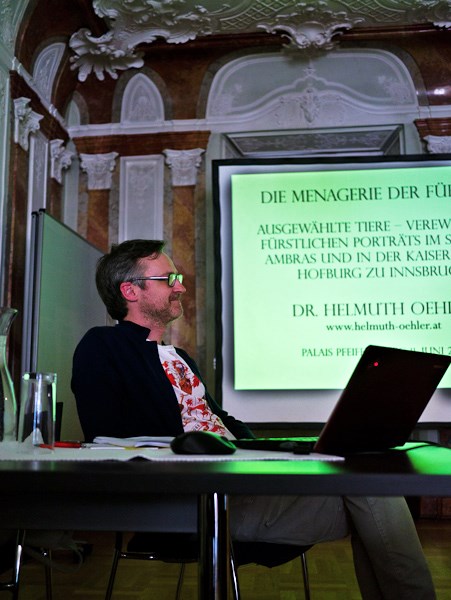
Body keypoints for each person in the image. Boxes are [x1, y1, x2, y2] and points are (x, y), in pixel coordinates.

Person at [72, 239, 436, 600]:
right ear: (129, 291)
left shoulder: (177, 355)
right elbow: (106, 435)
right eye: (169, 279)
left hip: (241, 483)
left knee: (372, 492)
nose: (180, 286)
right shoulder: (102, 346)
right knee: (374, 496)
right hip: (192, 503)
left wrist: (271, 451)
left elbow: (220, 419)